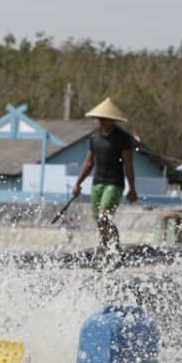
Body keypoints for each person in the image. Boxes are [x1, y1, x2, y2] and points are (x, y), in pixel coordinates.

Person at [72, 98, 138, 267]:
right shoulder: (94, 138)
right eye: (99, 119)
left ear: (113, 120)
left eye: (105, 119)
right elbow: (88, 163)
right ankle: (107, 252)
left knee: (104, 216)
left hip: (114, 183)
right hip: (98, 183)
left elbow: (129, 165)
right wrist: (78, 183)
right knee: (100, 221)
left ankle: (115, 250)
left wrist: (132, 189)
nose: (101, 122)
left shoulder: (123, 138)